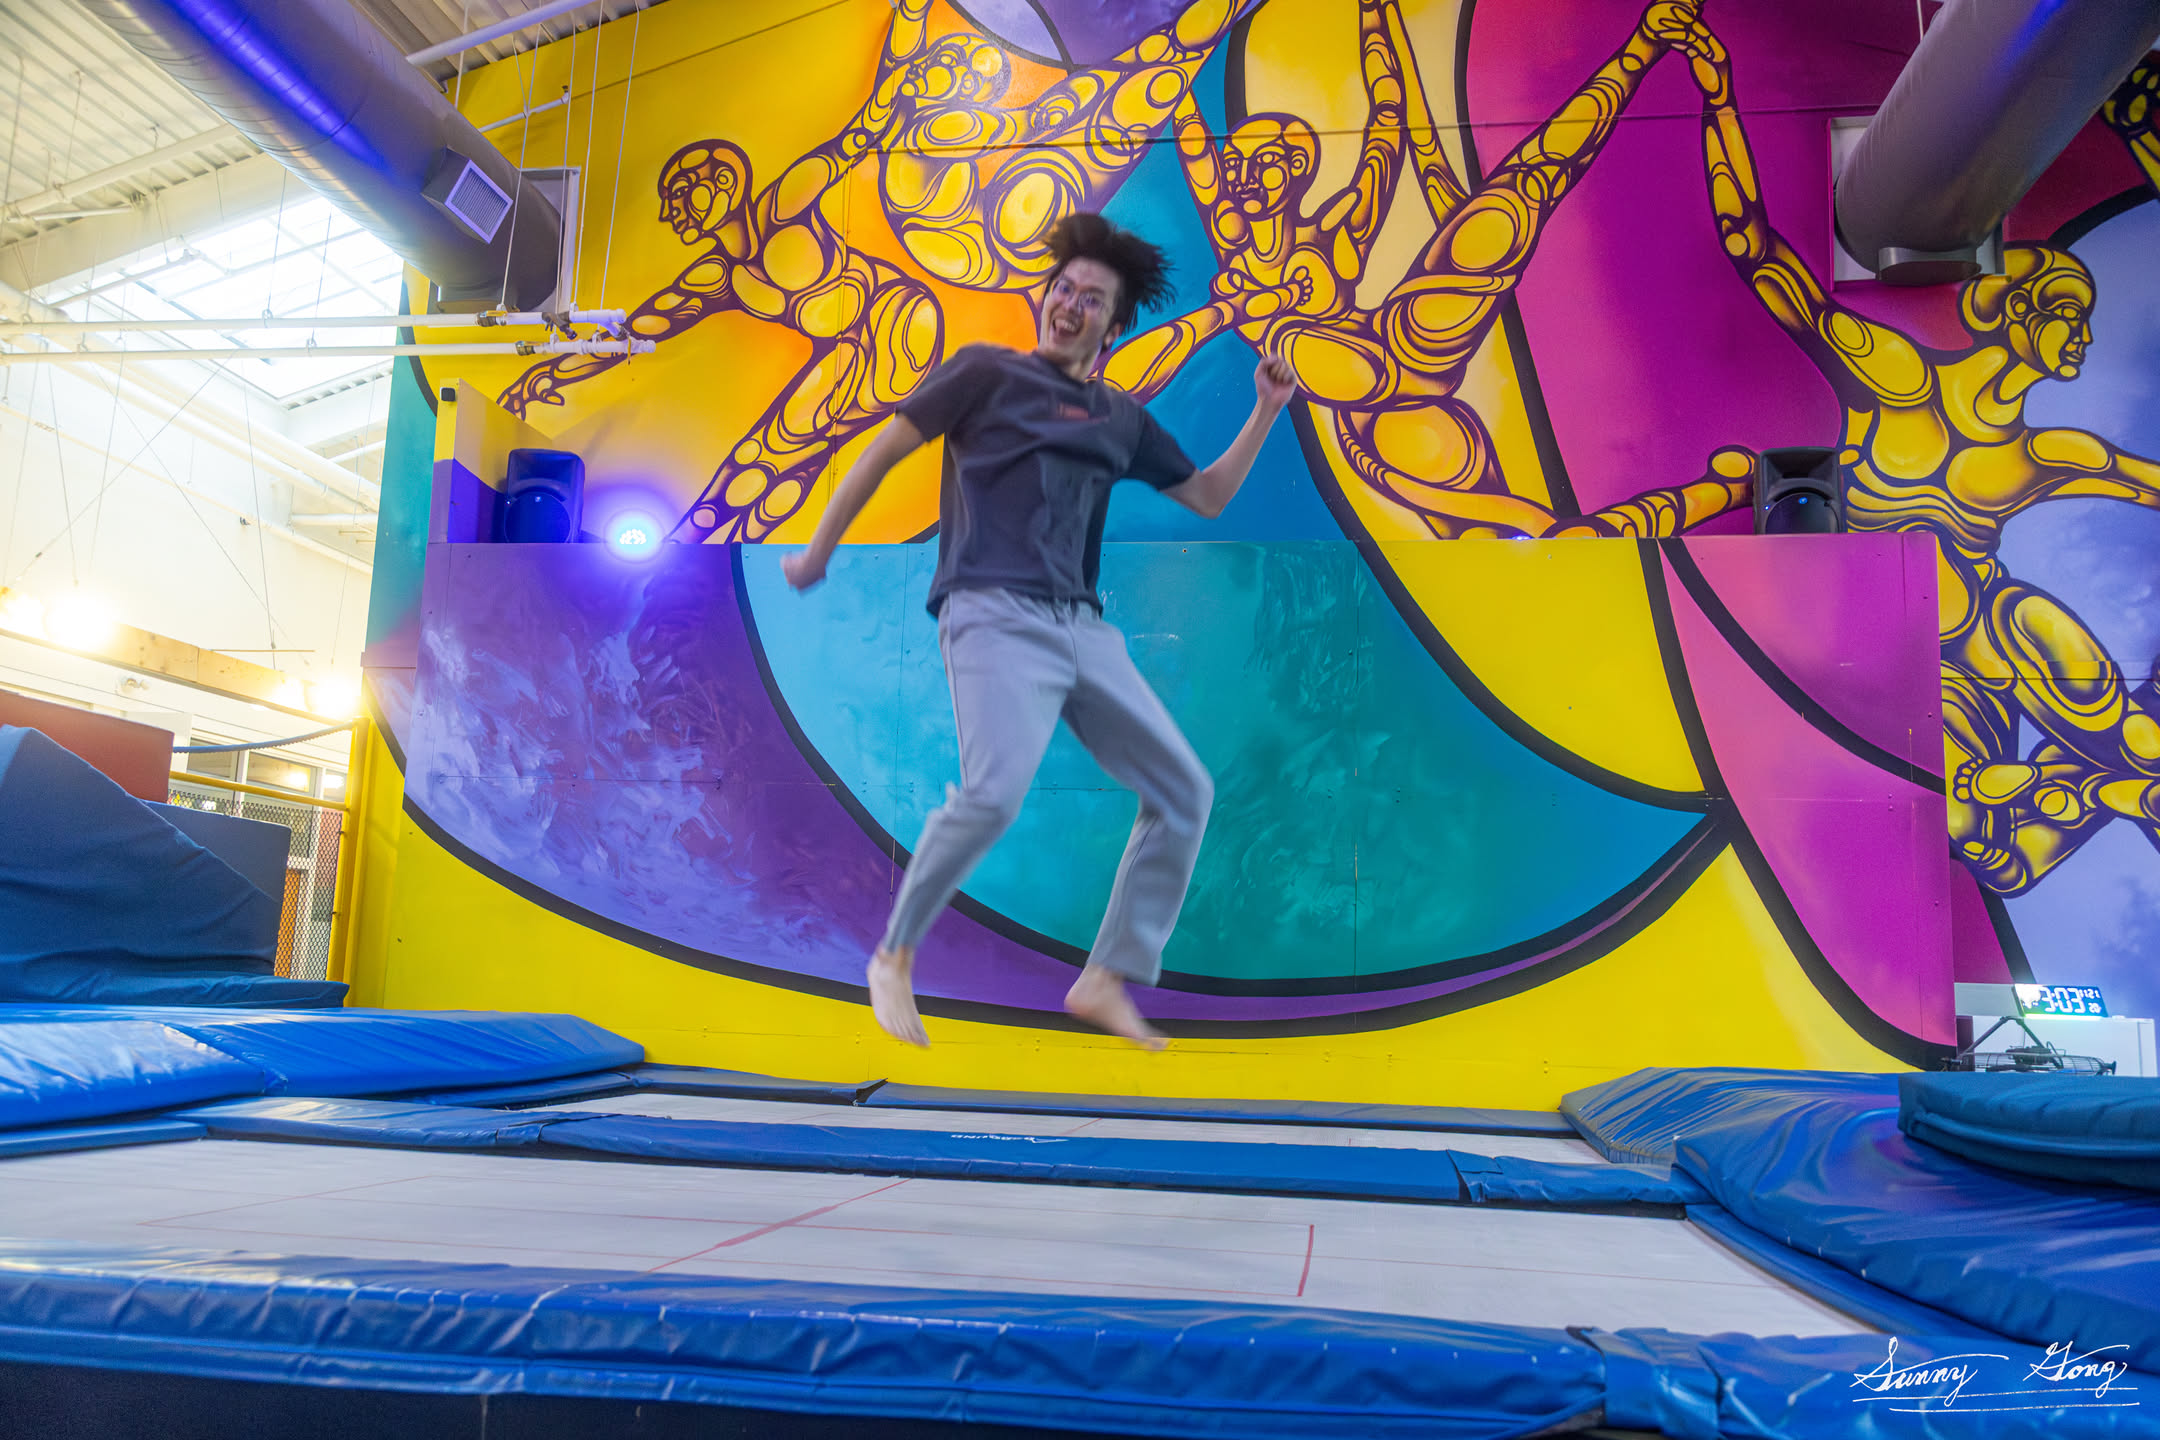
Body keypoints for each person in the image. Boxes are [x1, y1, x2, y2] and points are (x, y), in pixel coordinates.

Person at [782, 213, 1297, 1049]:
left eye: (1091, 300)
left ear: (1112, 327)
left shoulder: (1120, 419)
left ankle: (1105, 978)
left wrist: (1267, 410)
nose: (1068, 304)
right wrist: (816, 553)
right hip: (990, 610)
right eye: (1063, 288)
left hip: (1079, 626)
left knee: (1184, 792)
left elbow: (1207, 496)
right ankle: (895, 955)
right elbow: (881, 454)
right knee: (993, 795)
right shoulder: (984, 374)